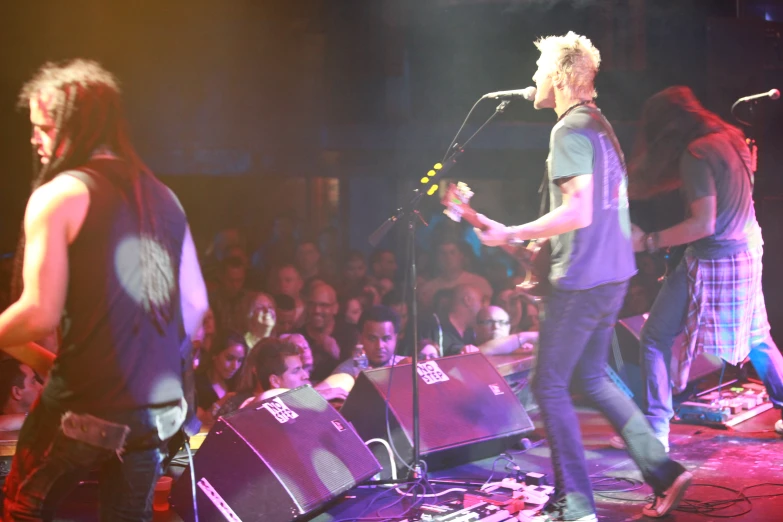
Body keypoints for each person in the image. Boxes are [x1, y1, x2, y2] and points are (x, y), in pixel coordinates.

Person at [472, 33, 691, 521]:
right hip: (613, 274)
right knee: (591, 377)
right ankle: (664, 471)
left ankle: (576, 505)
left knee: (548, 385)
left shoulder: (568, 131)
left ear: (560, 76)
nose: (532, 80)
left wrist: (511, 229)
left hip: (584, 279)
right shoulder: (600, 125)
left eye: (538, 70)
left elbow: (578, 208)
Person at [0, 59, 208, 521]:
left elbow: (38, 314)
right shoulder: (164, 197)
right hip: (158, 413)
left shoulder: (61, 194)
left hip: (85, 409)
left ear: (75, 126)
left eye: (44, 127)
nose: (35, 139)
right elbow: (194, 306)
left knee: (22, 507)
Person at [628, 86, 783, 444]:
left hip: (715, 259)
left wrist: (647, 241)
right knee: (758, 336)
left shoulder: (696, 153)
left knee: (654, 338)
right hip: (746, 250)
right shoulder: (733, 137)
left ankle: (655, 430)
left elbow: (703, 224)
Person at [332, 306, 406, 378]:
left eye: (386, 339)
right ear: (360, 338)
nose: (380, 346)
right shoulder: (344, 374)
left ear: (395, 338)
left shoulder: (408, 367)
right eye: (372, 339)